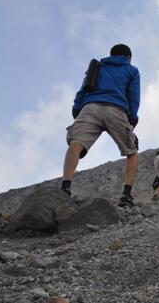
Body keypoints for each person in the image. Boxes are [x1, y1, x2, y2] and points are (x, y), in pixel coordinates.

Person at [61, 44, 140, 207]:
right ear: (128, 57)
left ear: (111, 54)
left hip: (90, 107)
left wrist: (77, 109)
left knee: (76, 143)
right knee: (131, 151)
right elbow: (134, 97)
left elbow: (82, 90)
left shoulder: (97, 66)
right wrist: (132, 118)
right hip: (116, 110)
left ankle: (65, 188)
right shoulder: (132, 70)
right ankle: (126, 196)